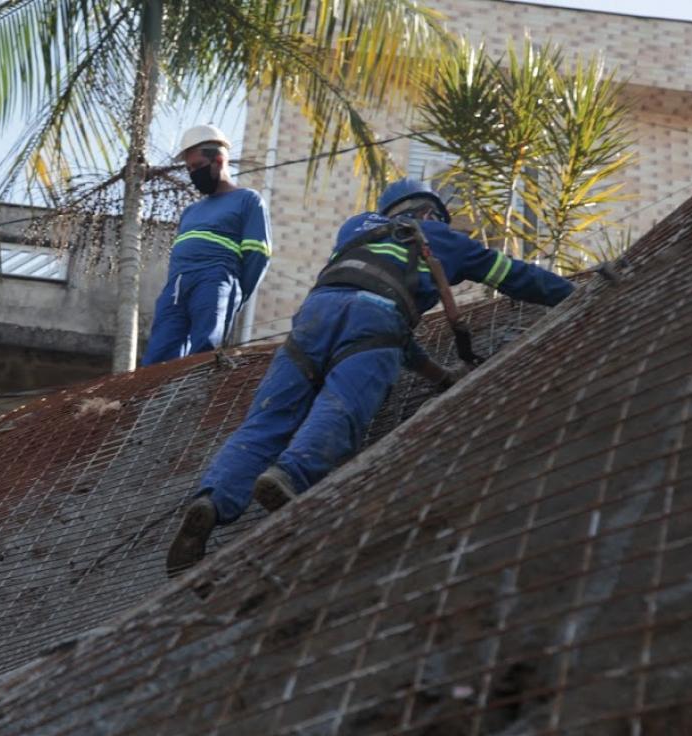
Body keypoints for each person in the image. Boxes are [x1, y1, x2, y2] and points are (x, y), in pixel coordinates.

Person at [166, 179, 575, 574]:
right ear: (430, 212)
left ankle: (212, 500)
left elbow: (381, 320)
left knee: (266, 419)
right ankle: (290, 475)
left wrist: (437, 374)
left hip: (313, 316)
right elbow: (518, 278)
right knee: (342, 406)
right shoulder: (440, 238)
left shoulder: (355, 229)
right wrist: (573, 295)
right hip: (376, 316)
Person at [140, 124, 270, 366]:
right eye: (189, 169)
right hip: (177, 285)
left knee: (204, 350)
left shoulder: (247, 200)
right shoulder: (191, 211)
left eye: (198, 167)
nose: (192, 174)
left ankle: (195, 397)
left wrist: (237, 293)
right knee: (159, 352)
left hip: (216, 278)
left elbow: (257, 255)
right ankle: (151, 399)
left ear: (219, 160)